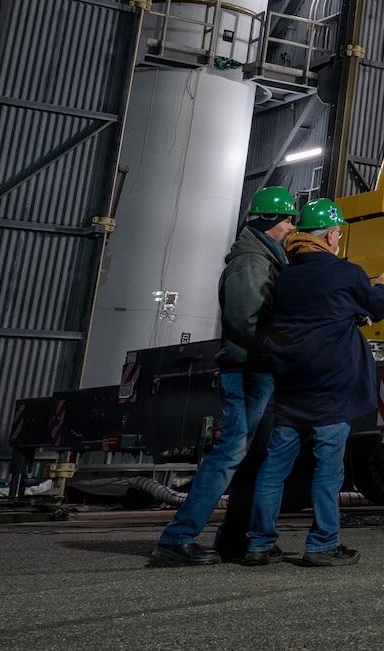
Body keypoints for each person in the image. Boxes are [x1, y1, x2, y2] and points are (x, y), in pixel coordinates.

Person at [150, 187, 299, 566]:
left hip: (261, 369)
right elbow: (245, 322)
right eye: (286, 220)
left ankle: (234, 538)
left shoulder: (267, 259)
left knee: (253, 458)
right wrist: (291, 341)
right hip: (248, 370)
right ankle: (177, 538)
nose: (291, 227)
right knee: (231, 453)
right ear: (269, 224)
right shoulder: (251, 264)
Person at [243, 198, 384, 567]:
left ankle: (259, 544)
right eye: (337, 232)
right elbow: (378, 307)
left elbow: (314, 317)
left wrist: (350, 314)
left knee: (275, 466)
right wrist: (383, 287)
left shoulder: (285, 277)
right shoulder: (346, 272)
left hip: (292, 385)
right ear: (328, 235)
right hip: (332, 388)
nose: (338, 238)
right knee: (328, 467)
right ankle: (323, 544)